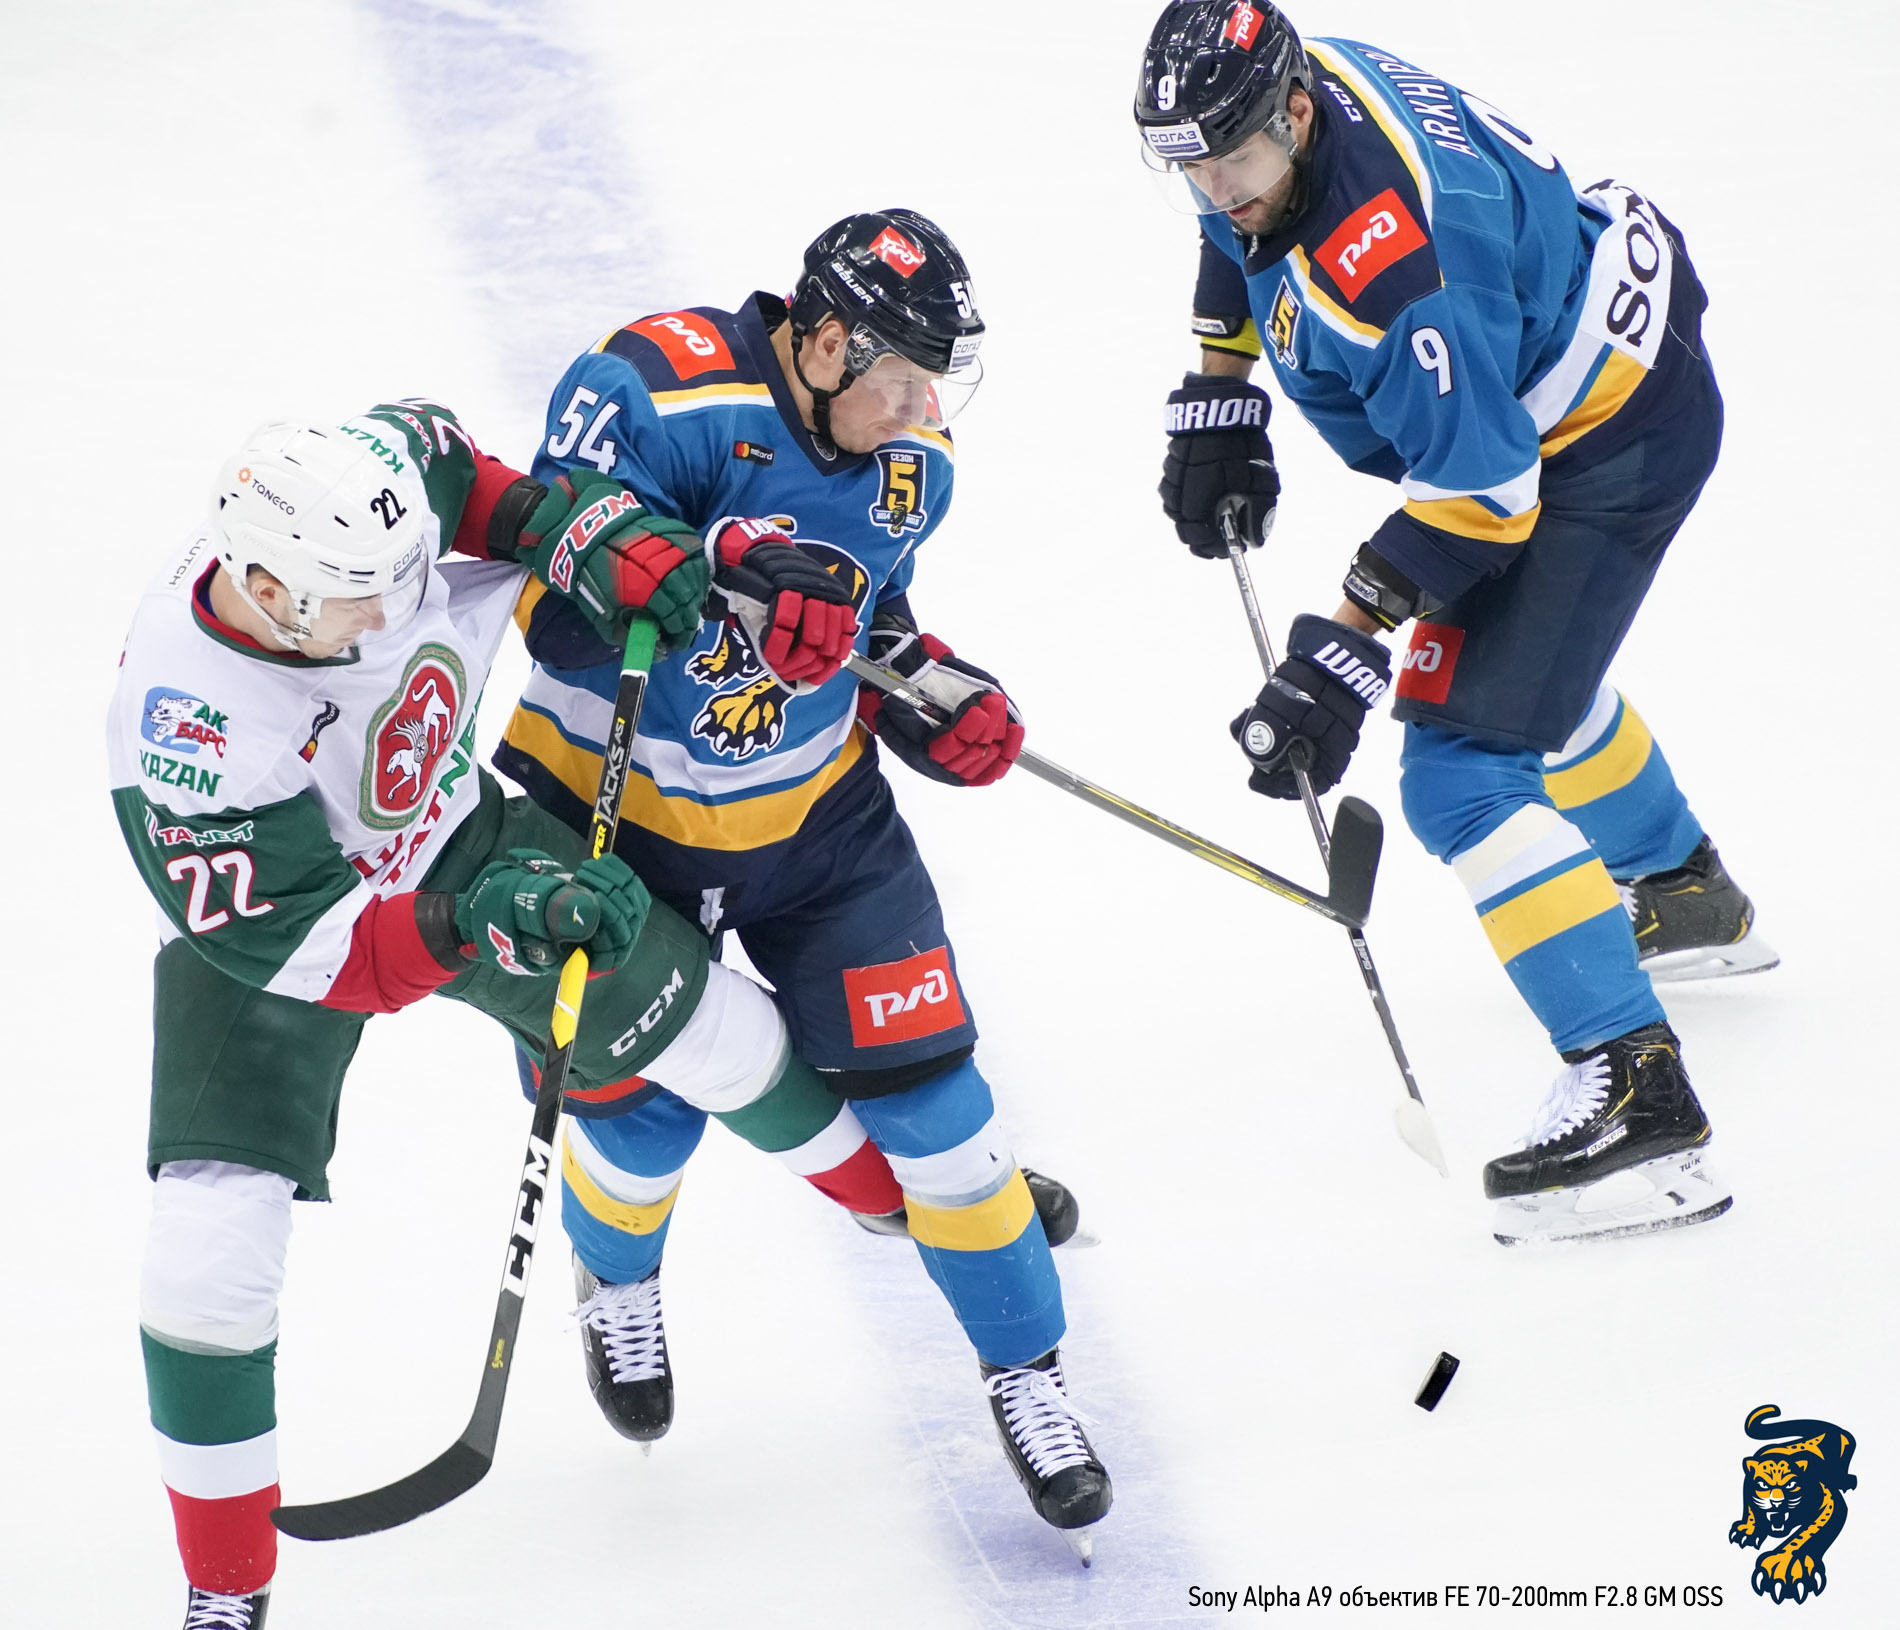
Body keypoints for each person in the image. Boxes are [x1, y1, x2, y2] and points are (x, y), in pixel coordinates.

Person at [109, 401, 955, 1627]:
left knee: (708, 1028)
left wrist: (590, 540)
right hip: (286, 936)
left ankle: (897, 1203)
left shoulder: (373, 483)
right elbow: (337, 957)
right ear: (268, 591)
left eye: (404, 576)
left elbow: (478, 486)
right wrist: (479, 921)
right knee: (204, 1260)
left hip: (453, 831)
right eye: (358, 597)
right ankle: (223, 1589)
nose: (396, 612)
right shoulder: (189, 736)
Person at [491, 208, 1112, 1553]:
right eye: (902, 378)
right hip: (609, 827)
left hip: (820, 833)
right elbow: (551, 613)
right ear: (824, 342)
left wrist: (929, 694)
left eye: (937, 381)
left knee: (944, 1117)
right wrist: (720, 567)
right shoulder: (648, 387)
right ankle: (618, 1278)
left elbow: (872, 627)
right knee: (646, 1125)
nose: (921, 410)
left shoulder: (913, 456)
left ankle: (1030, 1377)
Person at [1132, 2, 1776, 1244]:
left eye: (1233, 163)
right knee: (1523, 679)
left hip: (1596, 442)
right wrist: (1221, 386)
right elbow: (1237, 226)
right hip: (1584, 349)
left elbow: (1484, 498)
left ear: (1295, 114)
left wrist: (1342, 645)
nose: (1214, 192)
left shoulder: (1396, 271)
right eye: (1190, 168)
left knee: (1462, 765)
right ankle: (1683, 890)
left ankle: (1640, 1095)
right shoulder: (1286, 103)